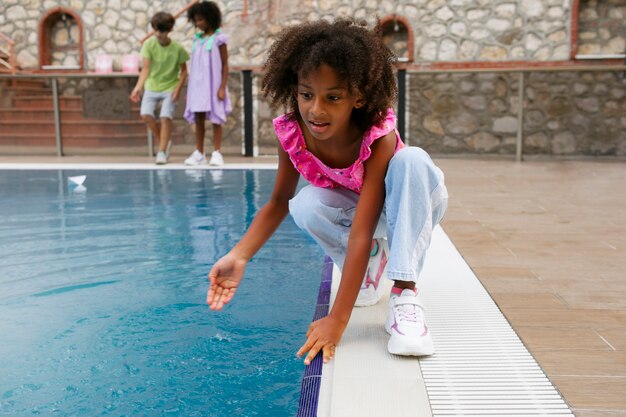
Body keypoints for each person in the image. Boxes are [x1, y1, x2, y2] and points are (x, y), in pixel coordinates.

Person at [206, 19, 448, 365]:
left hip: (409, 206)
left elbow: (361, 231)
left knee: (412, 160)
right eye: (307, 94)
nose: (316, 109)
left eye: (333, 97)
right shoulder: (293, 134)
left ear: (359, 97)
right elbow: (277, 203)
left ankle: (404, 293)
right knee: (305, 203)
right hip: (366, 216)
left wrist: (338, 319)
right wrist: (240, 255)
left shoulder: (378, 136)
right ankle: (369, 273)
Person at [130, 12, 189, 165]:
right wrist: (138, 87)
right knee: (146, 115)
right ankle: (165, 141)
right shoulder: (149, 44)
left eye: (161, 31)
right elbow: (145, 69)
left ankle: (161, 152)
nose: (158, 34)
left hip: (170, 88)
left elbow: (184, 71)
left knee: (165, 117)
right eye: (155, 30)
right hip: (151, 87)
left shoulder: (177, 48)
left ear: (169, 30)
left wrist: (177, 89)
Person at [183, 1, 231, 166]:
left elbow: (225, 65)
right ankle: (199, 153)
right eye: (195, 20)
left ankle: (217, 152)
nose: (198, 23)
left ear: (210, 18)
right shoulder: (197, 40)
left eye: (201, 19)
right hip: (198, 87)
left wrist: (222, 86)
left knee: (216, 118)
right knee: (198, 118)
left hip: (214, 86)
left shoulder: (219, 40)